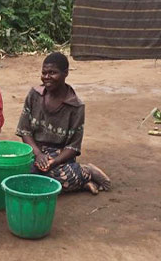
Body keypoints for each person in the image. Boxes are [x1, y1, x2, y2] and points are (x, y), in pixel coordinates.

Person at [16, 52, 111, 194]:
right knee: (18, 174)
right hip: (34, 150)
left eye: (53, 73)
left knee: (44, 178)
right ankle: (82, 183)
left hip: (59, 155)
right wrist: (38, 154)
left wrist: (53, 161)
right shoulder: (34, 95)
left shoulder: (75, 106)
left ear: (65, 73)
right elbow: (25, 131)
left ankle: (86, 172)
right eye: (44, 73)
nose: (47, 77)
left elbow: (73, 147)